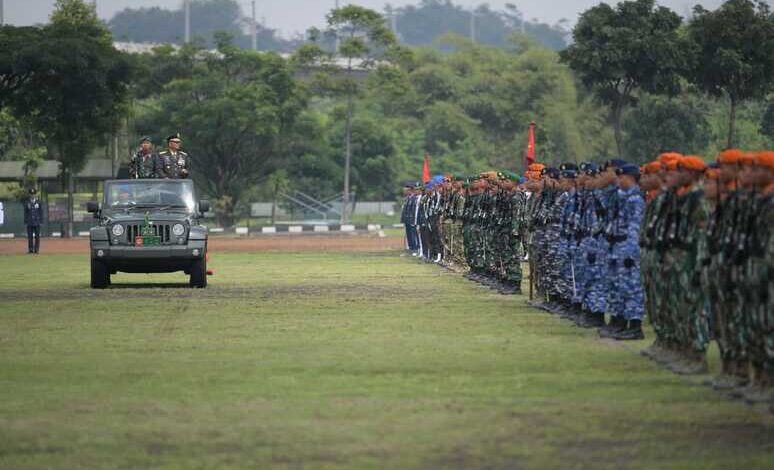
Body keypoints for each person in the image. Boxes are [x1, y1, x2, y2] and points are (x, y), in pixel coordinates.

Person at [24, 188, 43, 254]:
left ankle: (37, 249)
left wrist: (41, 221)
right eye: (31, 194)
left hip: (37, 221)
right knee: (30, 237)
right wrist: (25, 221)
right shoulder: (27, 202)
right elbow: (25, 212)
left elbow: (41, 212)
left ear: (35, 194)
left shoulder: (38, 202)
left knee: (37, 236)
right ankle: (30, 249)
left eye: (33, 194)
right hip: (29, 222)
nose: (32, 196)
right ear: (29, 195)